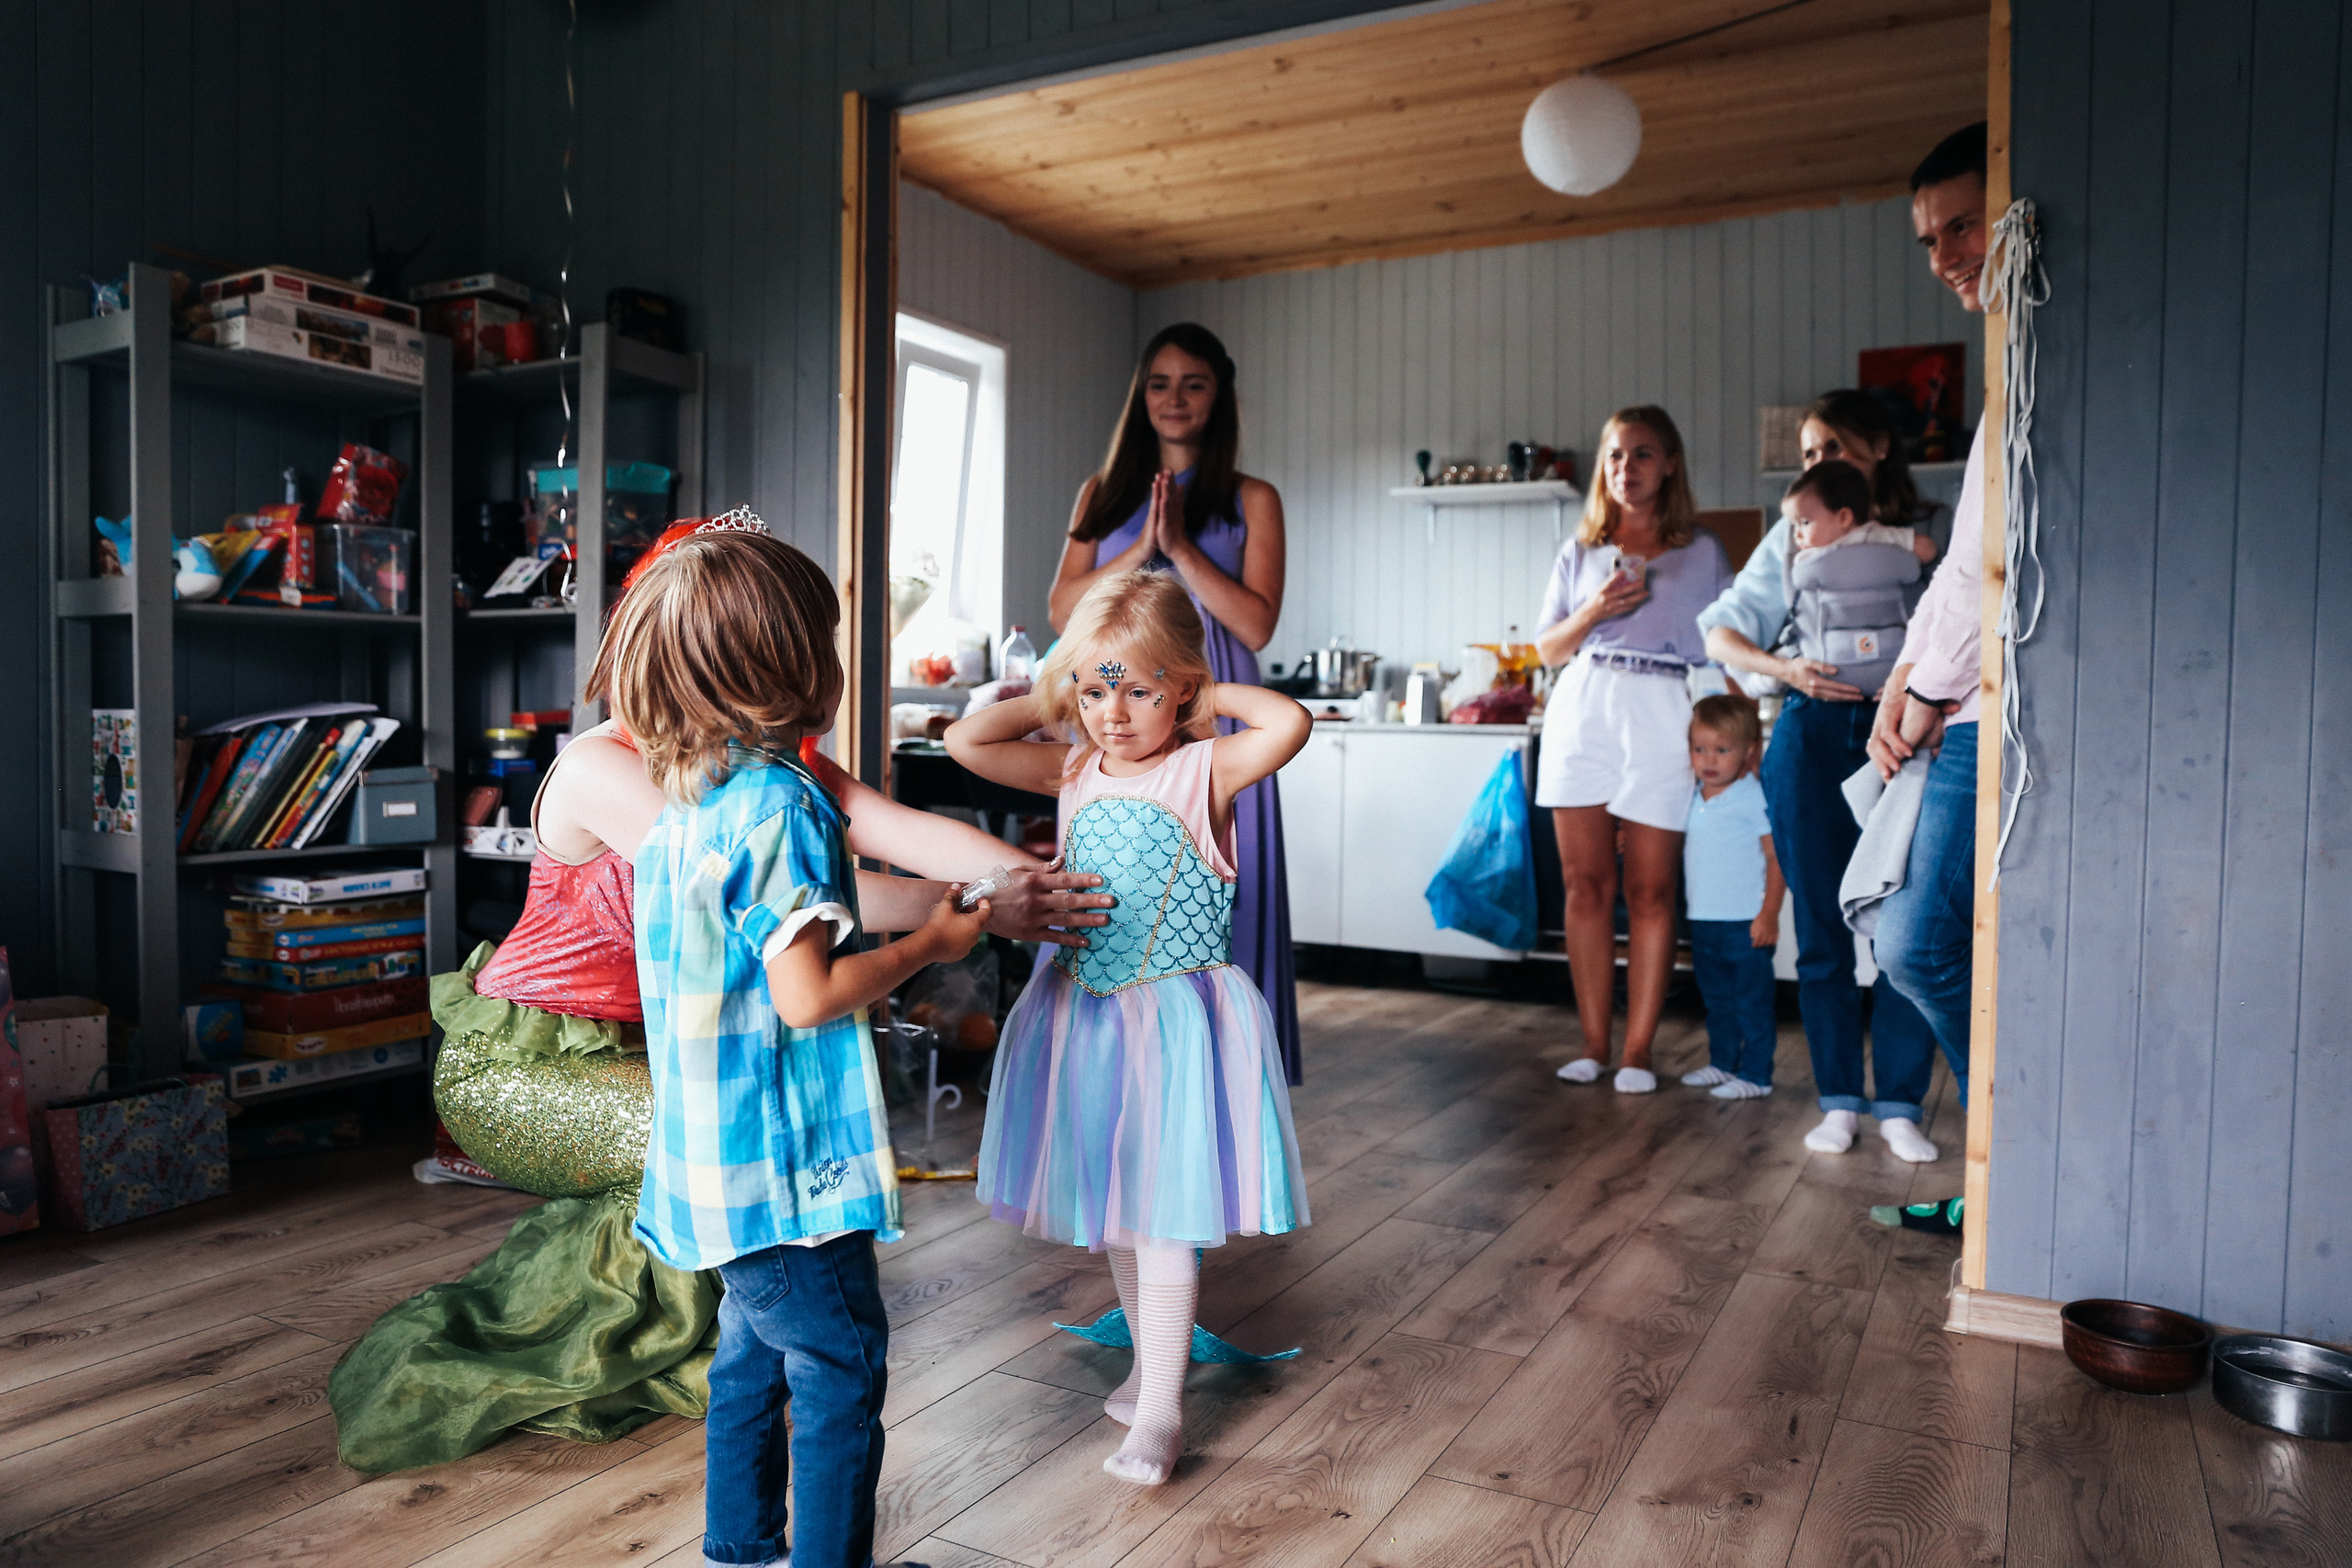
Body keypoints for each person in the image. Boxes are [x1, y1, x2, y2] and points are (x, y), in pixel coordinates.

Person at [328, 514, 1116, 1484]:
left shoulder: (760, 760)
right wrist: (982, 913)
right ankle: (718, 1364)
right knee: (731, 1146)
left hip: (661, 1042)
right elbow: (795, 902)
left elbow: (892, 826)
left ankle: (747, 1443)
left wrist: (1063, 890)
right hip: (525, 1063)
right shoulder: (600, 767)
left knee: (751, 1166)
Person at [621, 529, 989, 1568]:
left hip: (715, 1167)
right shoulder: (784, 807)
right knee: (841, 1366)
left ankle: (740, 1550)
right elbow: (807, 996)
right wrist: (932, 943)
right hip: (787, 1176)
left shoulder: (689, 805)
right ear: (790, 671)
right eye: (825, 641)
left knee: (750, 1359)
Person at [948, 569, 1312, 1488]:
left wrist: (1196, 692)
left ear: (1180, 689)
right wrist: (1057, 682)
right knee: (1116, 1208)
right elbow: (966, 739)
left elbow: (1287, 724)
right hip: (1082, 1016)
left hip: (1176, 1022)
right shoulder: (1071, 766)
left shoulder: (1204, 768)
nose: (1113, 713)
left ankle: (1160, 1415)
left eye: (1140, 689)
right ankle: (1155, 1361)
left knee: (1162, 1219)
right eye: (1096, 688)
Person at [1047, 321, 1301, 1084]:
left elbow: (1257, 622)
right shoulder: (1101, 494)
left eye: (1193, 383)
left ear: (1218, 395)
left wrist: (1183, 547)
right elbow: (1064, 611)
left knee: (1226, 872)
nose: (1175, 398)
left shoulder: (1254, 497)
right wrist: (1143, 546)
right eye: (1160, 383)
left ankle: (1229, 1065)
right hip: (1124, 694)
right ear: (1141, 395)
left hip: (1212, 698)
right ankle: (1122, 1052)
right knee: (1126, 877)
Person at [1700, 417, 1950, 1162]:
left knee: (1904, 928)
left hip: (1905, 738)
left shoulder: (1928, 536)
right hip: (1809, 738)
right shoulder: (1790, 539)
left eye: (1832, 448)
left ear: (1876, 450)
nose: (1817, 466)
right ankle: (1839, 1100)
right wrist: (1788, 672)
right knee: (1821, 932)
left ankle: (1901, 1103)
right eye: (1807, 455)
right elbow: (1720, 633)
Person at [1532, 405, 1731, 1093]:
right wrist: (1596, 610)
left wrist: (1745, 733)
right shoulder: (1580, 550)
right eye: (1615, 456)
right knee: (1585, 886)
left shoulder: (1701, 550)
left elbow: (1727, 646)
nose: (1626, 468)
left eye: (1643, 454)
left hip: (1662, 708)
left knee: (1651, 888)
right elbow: (1548, 648)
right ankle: (1593, 1043)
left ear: (1670, 462)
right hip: (1583, 706)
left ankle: (1639, 1050)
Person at [1866, 120, 1996, 1100]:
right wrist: (1903, 682)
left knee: (1912, 942)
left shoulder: (2033, 359)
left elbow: (1979, 569)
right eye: (1929, 240)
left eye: (1962, 226)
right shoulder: (2010, 366)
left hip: (1979, 712)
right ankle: (2004, 1180)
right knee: (1921, 942)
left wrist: (1923, 692)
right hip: (1951, 700)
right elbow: (1961, 567)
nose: (1944, 257)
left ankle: (2014, 1168)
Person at [1679, 694, 1784, 1100]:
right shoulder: (1691, 796)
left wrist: (1769, 913)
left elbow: (1776, 858)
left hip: (1745, 922)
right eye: (1699, 749)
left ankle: (1757, 1075)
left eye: (1722, 750)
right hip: (1704, 920)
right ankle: (1723, 1064)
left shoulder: (1752, 797)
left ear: (1749, 752)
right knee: (1717, 1000)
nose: (1709, 760)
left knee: (1752, 1003)